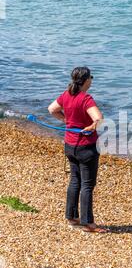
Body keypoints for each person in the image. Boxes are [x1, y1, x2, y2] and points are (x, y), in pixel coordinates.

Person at [48, 66, 108, 233]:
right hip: (86, 148)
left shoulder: (66, 94)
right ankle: (88, 223)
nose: (91, 80)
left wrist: (66, 120)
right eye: (91, 78)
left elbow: (51, 109)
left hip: (70, 145)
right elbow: (99, 119)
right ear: (86, 80)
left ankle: (72, 217)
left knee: (75, 180)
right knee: (87, 185)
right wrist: (91, 126)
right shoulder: (85, 98)